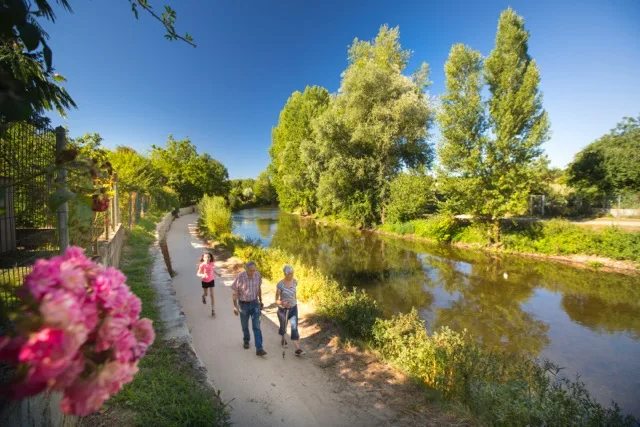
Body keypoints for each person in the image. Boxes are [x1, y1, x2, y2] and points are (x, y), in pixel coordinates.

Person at [231, 261, 267, 356]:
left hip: (255, 304)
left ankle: (259, 348)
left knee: (256, 326)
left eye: (254, 270)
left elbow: (259, 288)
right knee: (244, 325)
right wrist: (235, 306)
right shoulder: (240, 277)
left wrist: (261, 301)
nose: (252, 273)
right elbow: (234, 293)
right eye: (250, 271)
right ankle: (246, 340)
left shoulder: (258, 275)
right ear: (246, 269)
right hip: (243, 305)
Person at [275, 265, 304, 356]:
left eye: (292, 273)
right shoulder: (280, 284)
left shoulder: (295, 281)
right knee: (283, 327)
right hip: (283, 309)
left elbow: (294, 294)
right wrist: (283, 303)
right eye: (290, 274)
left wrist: (294, 302)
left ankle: (297, 348)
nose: (292, 275)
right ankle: (283, 338)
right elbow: (276, 300)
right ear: (285, 274)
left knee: (294, 326)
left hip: (293, 308)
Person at [197, 252, 216, 316]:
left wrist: (218, 274)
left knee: (212, 295)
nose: (207, 258)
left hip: (211, 280)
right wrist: (202, 275)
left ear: (210, 258)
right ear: (203, 258)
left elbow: (212, 270)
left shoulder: (212, 264)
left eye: (208, 257)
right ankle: (203, 296)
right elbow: (198, 273)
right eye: (205, 257)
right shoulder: (202, 265)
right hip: (204, 281)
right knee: (206, 294)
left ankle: (213, 310)